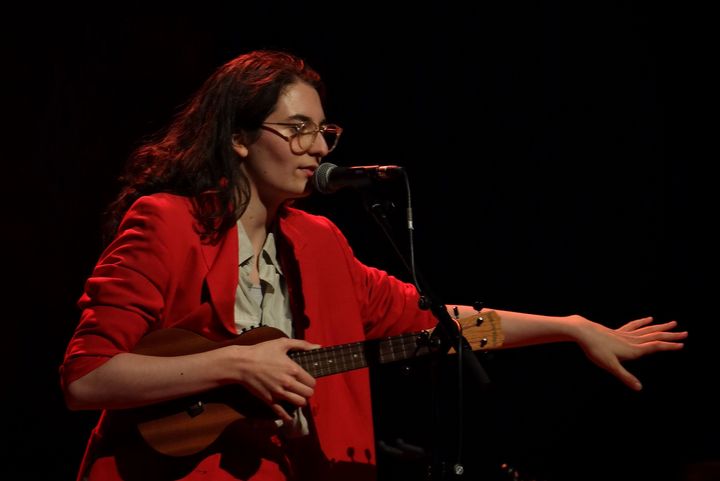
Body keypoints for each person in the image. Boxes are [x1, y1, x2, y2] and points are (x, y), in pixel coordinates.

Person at [59, 50, 687, 481]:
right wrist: (238, 362)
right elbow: (87, 379)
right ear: (239, 137)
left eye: (324, 130)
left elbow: (438, 323)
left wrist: (570, 327)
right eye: (296, 128)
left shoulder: (320, 243)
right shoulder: (169, 222)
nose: (316, 147)